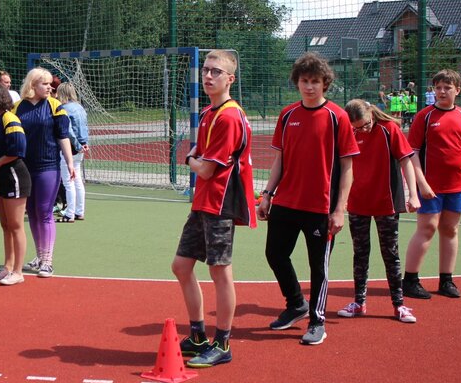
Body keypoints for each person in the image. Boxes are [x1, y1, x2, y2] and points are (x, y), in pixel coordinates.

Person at [257, 52, 358, 346]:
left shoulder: (337, 117)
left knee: (319, 267)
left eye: (315, 81)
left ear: (325, 83)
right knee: (275, 254)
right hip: (286, 201)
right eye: (304, 81)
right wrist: (267, 194)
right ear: (297, 82)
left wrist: (341, 209)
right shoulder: (288, 115)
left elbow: (348, 167)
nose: (309, 86)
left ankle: (317, 321)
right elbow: (279, 160)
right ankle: (296, 304)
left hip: (320, 207)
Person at [171, 51, 256, 367]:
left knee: (220, 271)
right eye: (205, 70)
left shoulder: (229, 117)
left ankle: (222, 344)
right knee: (181, 266)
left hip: (220, 203)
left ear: (230, 78)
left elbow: (204, 168)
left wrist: (190, 160)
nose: (208, 76)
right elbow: (200, 158)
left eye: (216, 72)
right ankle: (197, 336)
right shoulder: (209, 113)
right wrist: (195, 159)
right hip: (203, 202)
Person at [402, 70, 461, 299]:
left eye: (447, 88)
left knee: (450, 230)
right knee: (427, 228)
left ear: (457, 90)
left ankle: (446, 280)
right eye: (438, 87)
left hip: (457, 185)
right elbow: (412, 153)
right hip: (431, 187)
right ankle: (410, 280)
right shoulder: (425, 116)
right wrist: (421, 184)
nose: (441, 91)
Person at [338, 100, 421, 324]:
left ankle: (399, 305)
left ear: (371, 115)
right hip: (357, 203)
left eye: (364, 125)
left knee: (390, 254)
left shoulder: (389, 129)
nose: (361, 130)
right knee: (360, 254)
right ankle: (359, 302)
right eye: (356, 127)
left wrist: (413, 194)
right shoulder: (346, 132)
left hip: (386, 203)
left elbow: (406, 162)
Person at [16, 68, 75, 278]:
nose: (50, 87)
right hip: (24, 167)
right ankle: (40, 255)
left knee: (44, 211)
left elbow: (63, 136)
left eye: (51, 84)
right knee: (31, 212)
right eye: (45, 84)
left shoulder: (55, 106)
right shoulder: (17, 108)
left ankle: (48, 261)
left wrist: (69, 162)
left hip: (48, 165)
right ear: (33, 85)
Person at [0, 84, 31, 286]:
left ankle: (18, 271)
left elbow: (18, 149)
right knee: (5, 225)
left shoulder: (10, 119)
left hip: (14, 176)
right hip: (1, 177)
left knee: (16, 225)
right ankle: (7, 267)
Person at [54, 82, 89, 223]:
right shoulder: (80, 107)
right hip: (81, 145)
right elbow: (85, 127)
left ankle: (70, 213)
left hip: (71, 147)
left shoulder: (64, 109)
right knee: (78, 180)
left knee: (68, 182)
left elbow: (68, 131)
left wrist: (76, 144)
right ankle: (79, 211)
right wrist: (84, 143)